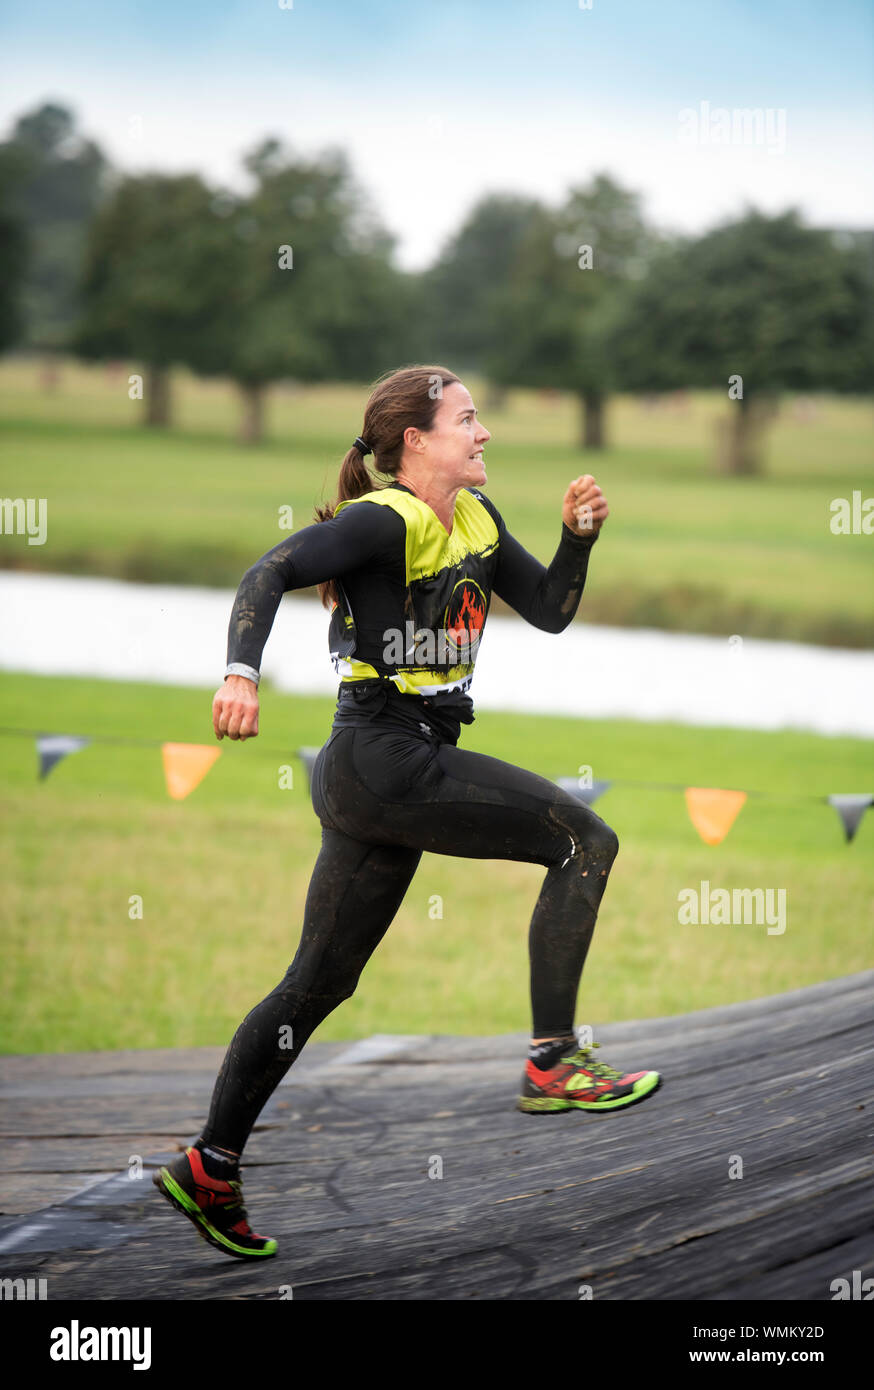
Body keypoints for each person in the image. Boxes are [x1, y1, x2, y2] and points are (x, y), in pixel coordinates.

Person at [153, 364, 660, 1261]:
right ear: (415, 441)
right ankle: (553, 1061)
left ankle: (210, 1164)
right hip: (385, 757)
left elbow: (547, 612)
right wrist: (240, 671)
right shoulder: (381, 520)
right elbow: (266, 570)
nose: (485, 433)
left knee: (317, 985)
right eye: (469, 419)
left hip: (385, 771)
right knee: (584, 837)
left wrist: (576, 539)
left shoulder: (476, 520)